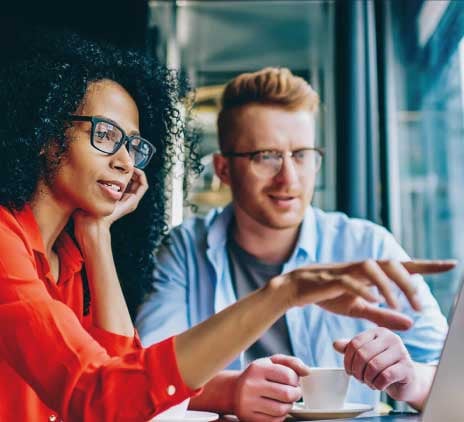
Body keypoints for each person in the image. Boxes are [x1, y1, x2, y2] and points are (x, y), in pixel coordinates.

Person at [136, 67, 453, 421]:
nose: (289, 178)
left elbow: (454, 383)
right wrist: (229, 392)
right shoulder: (184, 249)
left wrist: (410, 380)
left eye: (301, 155)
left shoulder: (367, 246)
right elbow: (144, 379)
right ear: (224, 169)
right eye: (266, 156)